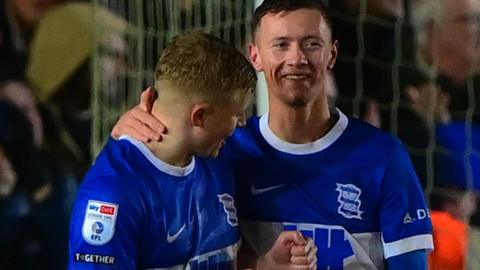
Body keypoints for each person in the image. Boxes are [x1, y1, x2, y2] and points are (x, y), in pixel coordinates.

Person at [112, 0, 434, 269]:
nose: (296, 59)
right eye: (281, 45)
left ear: (332, 54)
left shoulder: (383, 158)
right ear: (256, 56)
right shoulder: (225, 151)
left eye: (311, 44)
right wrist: (129, 134)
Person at [69, 31, 316, 269]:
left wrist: (265, 266)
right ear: (199, 117)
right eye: (235, 113)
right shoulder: (113, 194)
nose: (241, 122)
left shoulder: (218, 159)